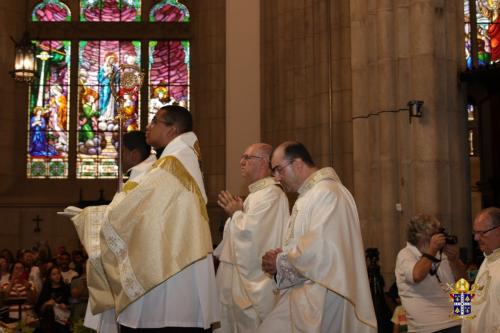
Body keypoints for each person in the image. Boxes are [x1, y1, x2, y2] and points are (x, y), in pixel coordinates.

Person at [74, 106, 219, 332]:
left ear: (172, 130)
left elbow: (136, 207)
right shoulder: (178, 158)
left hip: (172, 272)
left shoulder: (174, 163)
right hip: (176, 262)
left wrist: (94, 217)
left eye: (154, 121)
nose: (147, 127)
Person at [260, 141, 377, 333]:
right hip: (304, 294)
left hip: (324, 296)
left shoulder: (328, 193)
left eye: (279, 170)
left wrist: (280, 262)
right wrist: (284, 255)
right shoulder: (309, 195)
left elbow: (321, 250)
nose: (277, 177)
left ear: (297, 164)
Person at [75, 130, 156, 333]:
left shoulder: (146, 180)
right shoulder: (137, 178)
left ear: (134, 155)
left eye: (121, 152)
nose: (116, 157)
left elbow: (126, 220)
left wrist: (87, 217)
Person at [214, 143, 289, 333]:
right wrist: (237, 213)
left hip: (250, 282)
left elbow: (255, 237)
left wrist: (236, 214)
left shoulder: (272, 194)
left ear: (264, 162)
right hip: (234, 277)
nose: (241, 162)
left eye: (247, 158)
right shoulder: (256, 194)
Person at [395, 214, 466, 333]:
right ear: (420, 236)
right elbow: (417, 275)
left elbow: (463, 283)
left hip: (457, 322)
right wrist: (431, 251)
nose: (439, 237)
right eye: (434, 234)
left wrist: (455, 260)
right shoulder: (405, 254)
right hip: (429, 328)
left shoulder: (442, 254)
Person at [461, 207, 500, 333]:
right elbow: (476, 303)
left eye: (482, 233)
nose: (476, 238)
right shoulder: (487, 260)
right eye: (475, 233)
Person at [36, 266, 71, 333]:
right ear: (49, 277)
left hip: (63, 321)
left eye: (58, 273)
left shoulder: (66, 288)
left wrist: (66, 306)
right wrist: (46, 304)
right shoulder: (46, 290)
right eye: (54, 274)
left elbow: (73, 305)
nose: (57, 276)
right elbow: (39, 310)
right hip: (48, 323)